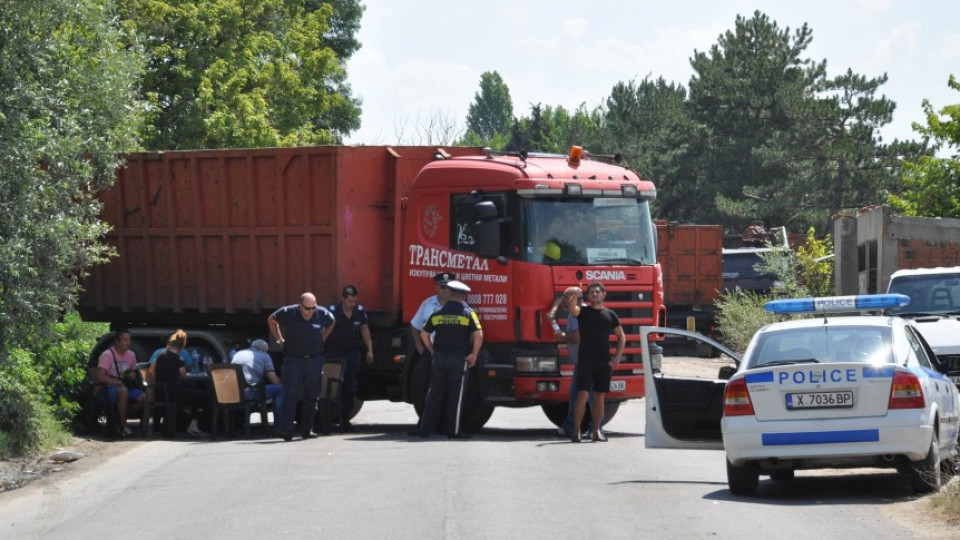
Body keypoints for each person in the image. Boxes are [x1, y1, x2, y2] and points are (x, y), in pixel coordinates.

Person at [418, 280, 483, 439]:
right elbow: (478, 335)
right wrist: (473, 354)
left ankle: (425, 430)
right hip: (458, 359)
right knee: (456, 396)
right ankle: (453, 431)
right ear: (463, 296)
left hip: (439, 358)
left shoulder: (438, 312)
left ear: (451, 294)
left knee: (434, 394)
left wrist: (433, 351)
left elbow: (424, 334)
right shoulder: (468, 313)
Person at [268, 292, 335, 441]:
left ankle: (307, 430)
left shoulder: (322, 314)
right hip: (294, 360)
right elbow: (271, 320)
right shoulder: (288, 312)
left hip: (314, 360)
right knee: (290, 395)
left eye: (313, 308)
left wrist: (323, 337)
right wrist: (279, 339)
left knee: (312, 396)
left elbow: (332, 322)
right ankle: (287, 430)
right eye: (307, 308)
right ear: (300, 306)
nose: (310, 311)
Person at [570, 282, 625, 443]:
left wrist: (616, 358)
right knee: (582, 394)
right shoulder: (583, 312)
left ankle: (596, 432)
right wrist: (575, 296)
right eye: (591, 292)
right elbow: (573, 308)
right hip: (585, 360)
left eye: (597, 292)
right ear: (588, 296)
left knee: (600, 396)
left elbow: (621, 337)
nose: (594, 294)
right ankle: (576, 431)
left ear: (603, 294)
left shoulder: (610, 315)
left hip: (603, 362)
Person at [546, 286, 601, 438]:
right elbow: (562, 332)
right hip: (581, 362)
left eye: (566, 298)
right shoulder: (573, 314)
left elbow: (577, 337)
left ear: (573, 299)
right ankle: (573, 427)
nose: (563, 300)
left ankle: (594, 428)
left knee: (589, 396)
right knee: (576, 395)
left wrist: (563, 337)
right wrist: (554, 314)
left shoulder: (579, 314)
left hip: (587, 362)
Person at [325, 285, 374, 433]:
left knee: (350, 388)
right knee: (330, 389)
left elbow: (364, 330)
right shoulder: (332, 311)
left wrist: (370, 350)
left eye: (354, 301)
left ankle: (345, 423)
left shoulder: (359, 311)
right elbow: (324, 332)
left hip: (352, 354)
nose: (352, 304)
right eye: (349, 301)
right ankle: (324, 423)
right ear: (343, 299)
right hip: (334, 353)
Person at [409, 272, 456, 425]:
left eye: (449, 287)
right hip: (430, 353)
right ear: (436, 287)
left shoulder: (460, 307)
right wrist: (419, 346)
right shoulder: (427, 304)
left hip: (450, 353)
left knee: (449, 391)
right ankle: (424, 422)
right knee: (423, 387)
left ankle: (446, 424)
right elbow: (415, 326)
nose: (446, 290)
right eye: (442, 287)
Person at [149, 329, 211, 438]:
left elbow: (151, 371)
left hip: (160, 392)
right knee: (204, 396)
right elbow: (184, 378)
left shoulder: (159, 356)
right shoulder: (179, 359)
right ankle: (194, 424)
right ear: (181, 347)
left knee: (192, 395)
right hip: (174, 393)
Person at [92, 328, 146, 438]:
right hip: (107, 388)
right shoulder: (107, 355)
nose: (128, 343)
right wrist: (116, 382)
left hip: (125, 385)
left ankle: (119, 416)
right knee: (123, 391)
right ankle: (123, 425)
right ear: (117, 342)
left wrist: (132, 375)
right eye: (125, 340)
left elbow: (134, 372)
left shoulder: (131, 355)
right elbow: (100, 377)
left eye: (129, 340)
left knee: (144, 397)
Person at [231, 339, 284, 431]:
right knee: (281, 389)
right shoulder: (264, 355)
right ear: (264, 350)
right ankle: (280, 427)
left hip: (234, 393)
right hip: (250, 393)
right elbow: (273, 379)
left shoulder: (237, 354)